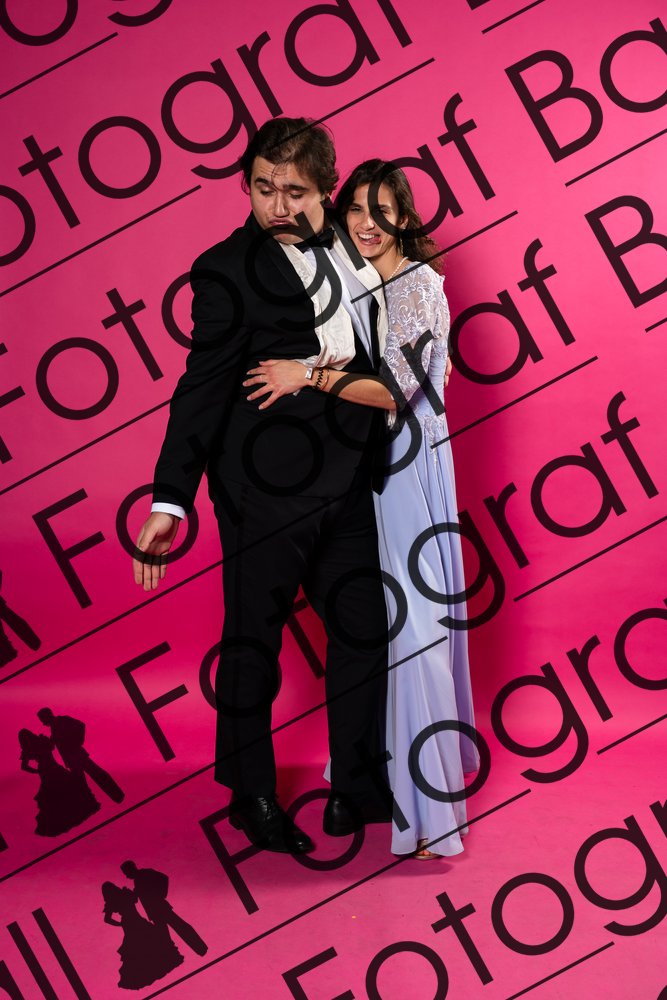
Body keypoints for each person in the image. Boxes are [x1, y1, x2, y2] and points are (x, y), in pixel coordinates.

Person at [132, 119, 393, 854]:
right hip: (263, 491)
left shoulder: (358, 244)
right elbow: (201, 387)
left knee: (364, 632)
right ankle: (249, 794)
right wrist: (170, 499)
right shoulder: (224, 269)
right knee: (253, 644)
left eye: (295, 191)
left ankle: (355, 789)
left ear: (327, 190)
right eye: (262, 187)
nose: (277, 205)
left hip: (351, 480)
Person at [244, 160, 480, 859]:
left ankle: (430, 811)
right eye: (355, 209)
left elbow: (396, 391)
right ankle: (370, 780)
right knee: (377, 626)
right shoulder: (350, 274)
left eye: (382, 210)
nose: (367, 222)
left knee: (416, 629)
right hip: (360, 468)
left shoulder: (417, 284)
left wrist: (307, 375)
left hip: (407, 466)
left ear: (405, 217)